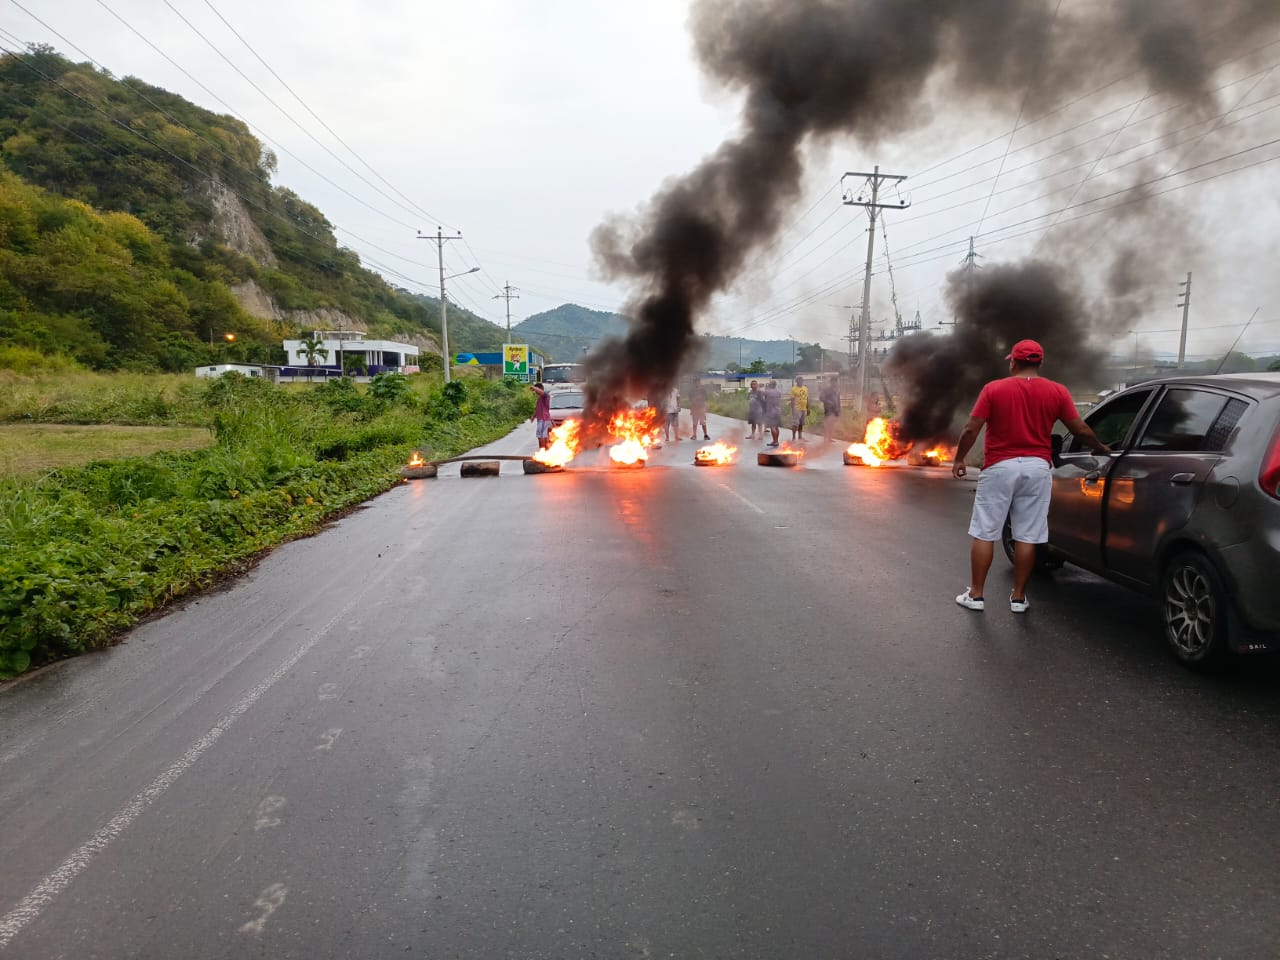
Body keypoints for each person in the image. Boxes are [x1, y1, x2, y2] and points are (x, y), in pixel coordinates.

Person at [951, 339, 1110, 614]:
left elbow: (970, 429)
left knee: (985, 531)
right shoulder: (1057, 392)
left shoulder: (993, 389)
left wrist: (959, 458)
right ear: (1040, 363)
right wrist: (1102, 448)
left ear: (1013, 361)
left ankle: (976, 595)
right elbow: (1081, 430)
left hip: (1000, 466)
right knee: (1027, 534)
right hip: (1037, 468)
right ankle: (1018, 598)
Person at [530, 382, 552, 450]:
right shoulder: (540, 398)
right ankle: (544, 450)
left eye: (537, 390)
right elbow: (537, 409)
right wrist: (533, 416)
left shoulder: (545, 395)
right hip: (542, 419)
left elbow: (540, 392)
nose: (536, 392)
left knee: (541, 436)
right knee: (543, 436)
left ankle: (542, 451)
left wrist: (534, 387)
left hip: (543, 419)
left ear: (541, 389)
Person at [761, 380, 783, 447]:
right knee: (776, 427)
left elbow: (763, 400)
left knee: (772, 427)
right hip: (778, 411)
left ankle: (775, 442)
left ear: (770, 384)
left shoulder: (767, 392)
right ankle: (776, 440)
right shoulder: (779, 392)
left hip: (770, 412)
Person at [820, 376, 841, 443]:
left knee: (832, 425)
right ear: (831, 382)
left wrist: (839, 409)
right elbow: (821, 398)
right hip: (828, 410)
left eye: (836, 382)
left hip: (835, 410)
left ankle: (829, 438)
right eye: (833, 382)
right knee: (827, 425)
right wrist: (828, 402)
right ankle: (825, 439)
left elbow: (838, 400)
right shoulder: (826, 390)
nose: (835, 383)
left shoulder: (837, 390)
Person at [790, 376, 809, 441]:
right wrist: (793, 409)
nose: (801, 381)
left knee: (801, 423)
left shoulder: (806, 388)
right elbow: (792, 400)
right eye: (799, 380)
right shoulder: (793, 389)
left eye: (802, 380)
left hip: (804, 408)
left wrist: (808, 408)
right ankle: (793, 437)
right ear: (796, 381)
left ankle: (800, 436)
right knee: (795, 424)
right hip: (797, 409)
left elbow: (807, 398)